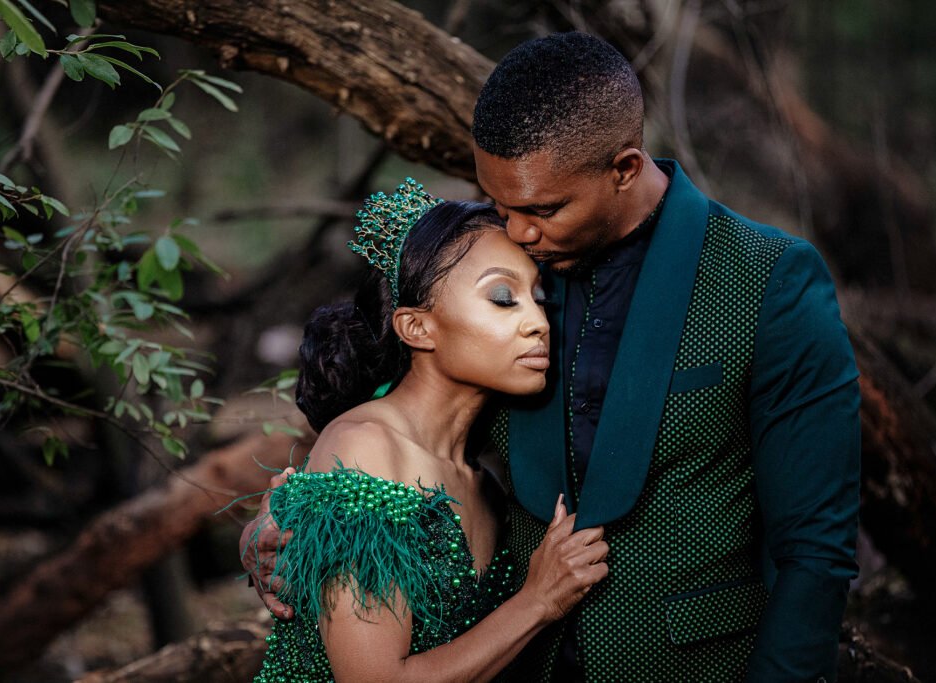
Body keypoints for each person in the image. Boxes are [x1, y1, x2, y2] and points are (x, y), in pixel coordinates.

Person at [247, 32, 860, 682]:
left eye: (543, 209)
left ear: (625, 169)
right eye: (499, 204)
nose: (517, 230)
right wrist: (278, 520)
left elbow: (815, 548)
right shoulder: (501, 260)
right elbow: (385, 400)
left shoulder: (766, 280)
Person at [242, 180, 609, 683]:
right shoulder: (365, 449)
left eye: (539, 298)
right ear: (416, 328)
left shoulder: (487, 480)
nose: (538, 322)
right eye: (503, 298)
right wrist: (538, 602)